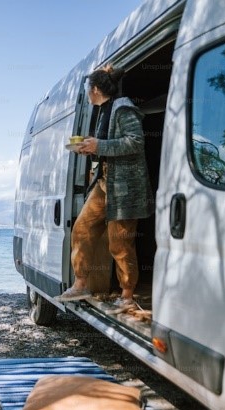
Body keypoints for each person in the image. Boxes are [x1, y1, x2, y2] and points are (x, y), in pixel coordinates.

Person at [57, 64, 154, 314]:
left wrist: (98, 145)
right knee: (81, 230)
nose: (88, 94)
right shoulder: (102, 111)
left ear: (96, 89)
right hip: (103, 184)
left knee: (120, 245)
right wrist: (89, 148)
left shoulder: (123, 108)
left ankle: (127, 297)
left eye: (89, 89)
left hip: (123, 187)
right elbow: (103, 147)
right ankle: (81, 284)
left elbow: (135, 142)